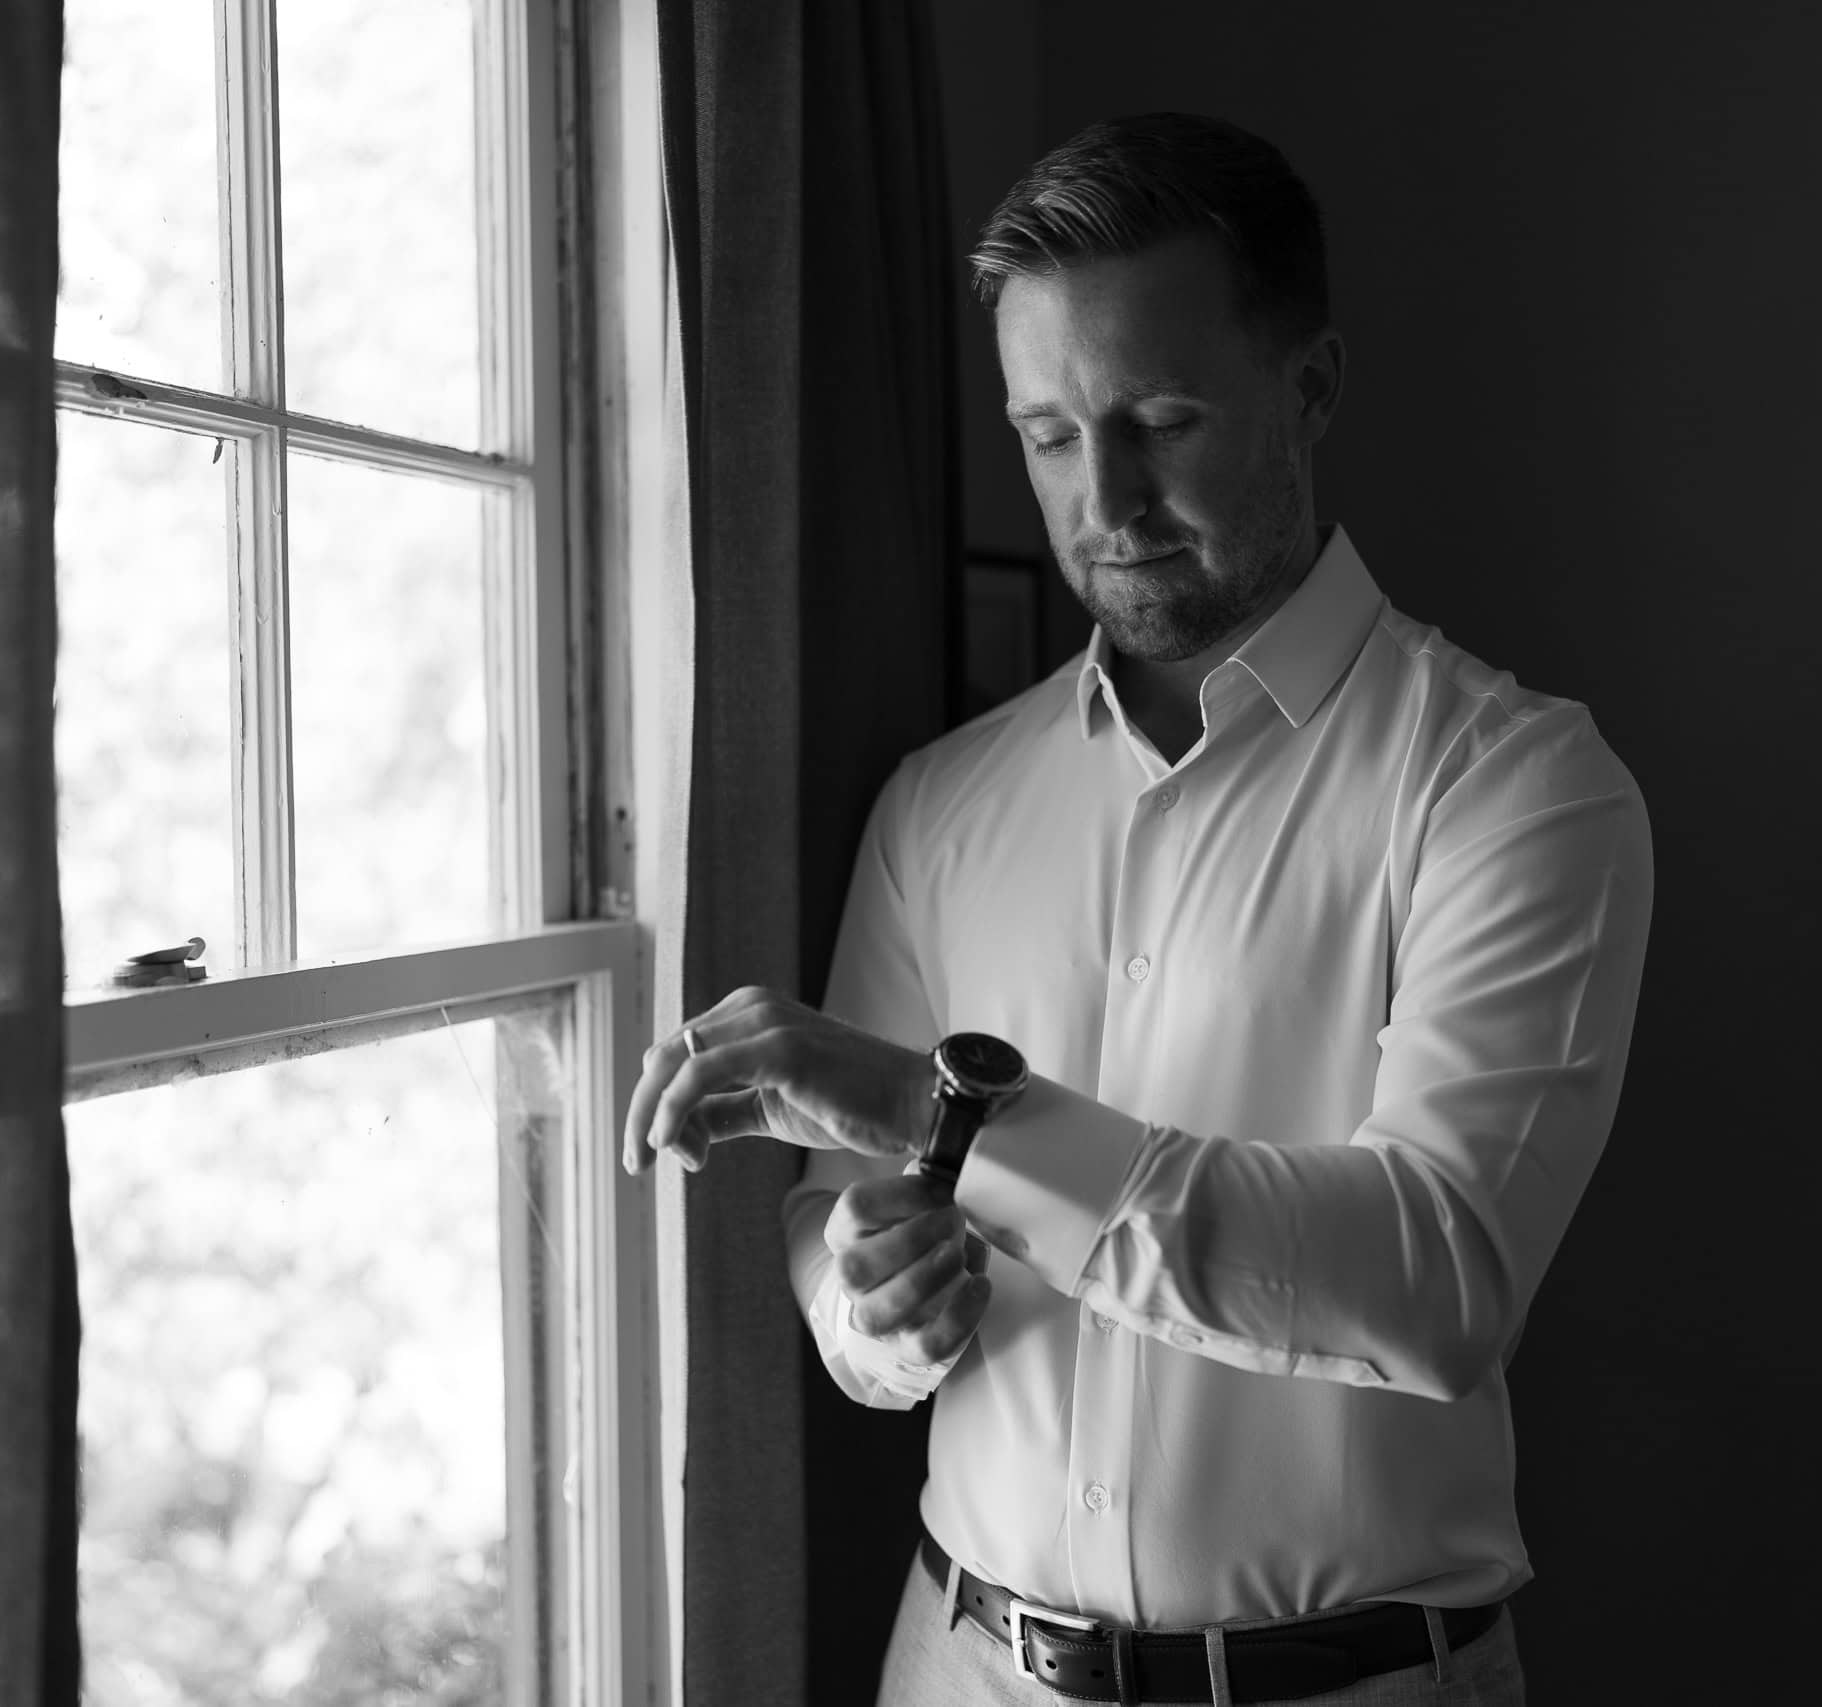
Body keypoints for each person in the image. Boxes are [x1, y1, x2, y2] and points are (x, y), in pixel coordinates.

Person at [622, 111, 1653, 1707]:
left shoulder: (1512, 786)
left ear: (1308, 390)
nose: (1102, 497)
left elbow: (1438, 1276)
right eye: (1046, 434)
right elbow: (832, 1221)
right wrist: (865, 1306)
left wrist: (931, 1111)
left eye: (1160, 418)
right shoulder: (943, 804)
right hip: (959, 1667)